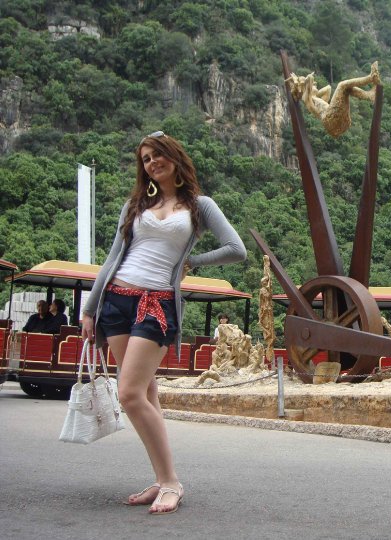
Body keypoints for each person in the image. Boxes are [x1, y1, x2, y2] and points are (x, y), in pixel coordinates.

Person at [81, 131, 247, 515]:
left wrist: (191, 262)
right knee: (146, 393)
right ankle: (161, 479)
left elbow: (236, 249)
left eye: (158, 155)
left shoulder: (199, 205)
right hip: (116, 301)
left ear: (174, 157)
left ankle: (172, 481)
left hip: (156, 303)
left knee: (129, 394)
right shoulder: (136, 204)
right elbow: (113, 258)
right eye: (145, 158)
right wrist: (90, 310)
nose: (152, 162)